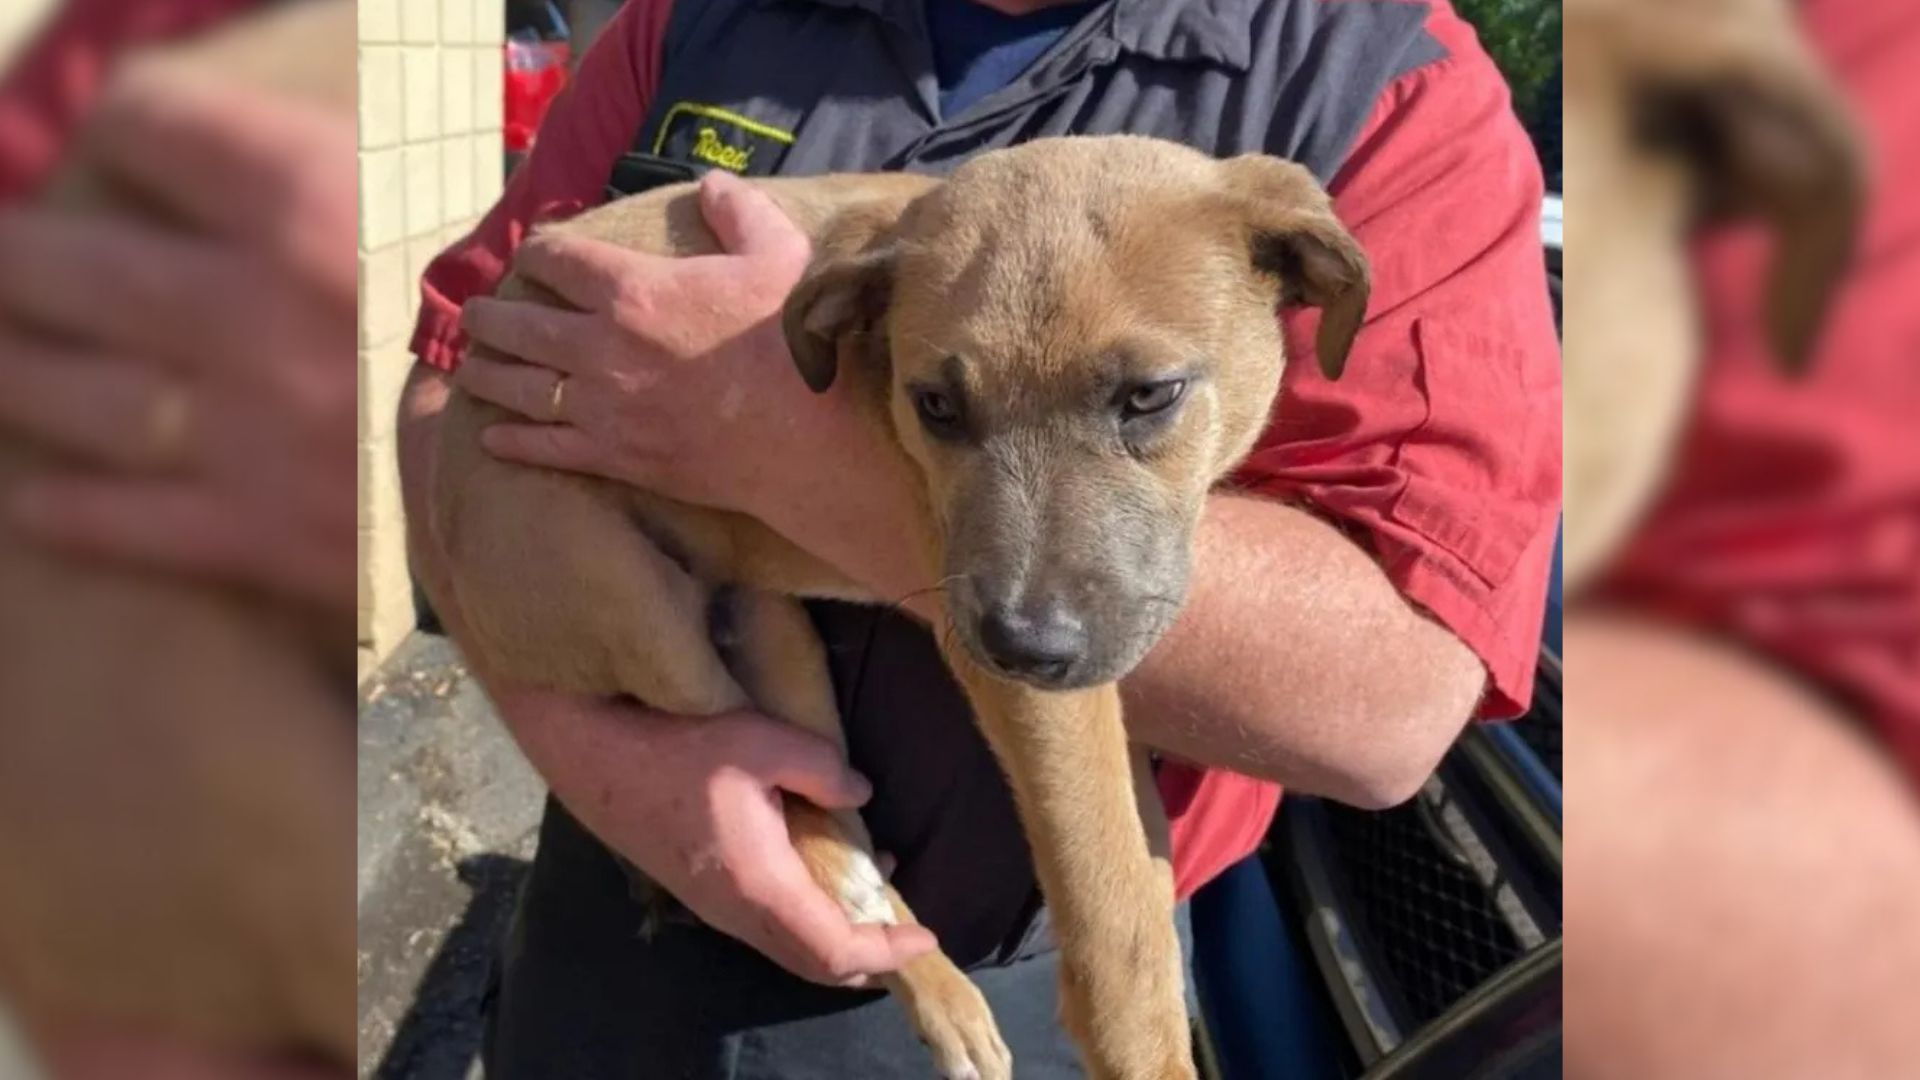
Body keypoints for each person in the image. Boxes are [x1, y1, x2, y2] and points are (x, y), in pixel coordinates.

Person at [399, 0, 1560, 1075]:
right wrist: (601, 758)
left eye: (1145, 398)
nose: (1027, 598)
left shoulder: (1381, 78)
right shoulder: (690, 18)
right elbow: (457, 378)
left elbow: (1392, 705)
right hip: (616, 912)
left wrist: (768, 440)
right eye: (943, 408)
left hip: (1016, 975)